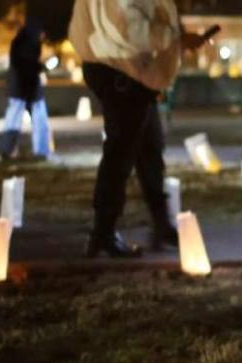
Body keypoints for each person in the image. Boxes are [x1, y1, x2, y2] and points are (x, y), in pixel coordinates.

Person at [68, 0, 213, 257]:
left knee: (148, 148)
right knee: (121, 152)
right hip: (121, 70)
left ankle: (158, 224)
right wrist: (176, 39)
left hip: (125, 70)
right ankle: (104, 231)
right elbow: (128, 27)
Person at [0, 18, 51, 161]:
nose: (43, 35)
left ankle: (7, 150)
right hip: (25, 85)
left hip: (21, 86)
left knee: (14, 119)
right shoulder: (29, 44)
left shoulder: (21, 42)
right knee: (37, 120)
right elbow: (28, 64)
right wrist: (40, 67)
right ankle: (41, 150)